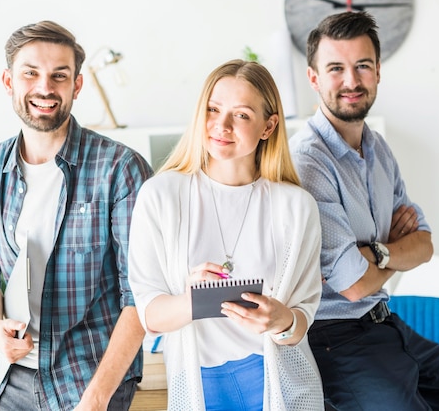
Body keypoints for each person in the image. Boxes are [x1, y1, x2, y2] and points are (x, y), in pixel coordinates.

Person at [289, 11, 439, 410]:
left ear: (378, 72)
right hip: (337, 338)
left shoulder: (378, 149)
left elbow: (423, 243)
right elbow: (352, 285)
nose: (351, 81)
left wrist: (376, 256)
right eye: (336, 68)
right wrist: (391, 251)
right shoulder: (309, 163)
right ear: (314, 78)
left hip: (386, 321)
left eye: (362, 66)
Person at [0, 20, 153, 411]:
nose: (45, 88)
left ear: (76, 86)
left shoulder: (120, 169)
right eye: (30, 73)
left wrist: (97, 398)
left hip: (88, 379)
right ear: (8, 81)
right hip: (8, 381)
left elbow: (139, 294)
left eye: (59, 76)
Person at [128, 59, 324, 410]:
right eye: (213, 109)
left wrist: (281, 320)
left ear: (269, 126)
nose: (221, 125)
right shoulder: (160, 196)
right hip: (200, 382)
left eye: (242, 115)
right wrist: (192, 299)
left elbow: (301, 322)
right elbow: (150, 315)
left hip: (277, 380)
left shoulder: (297, 207)